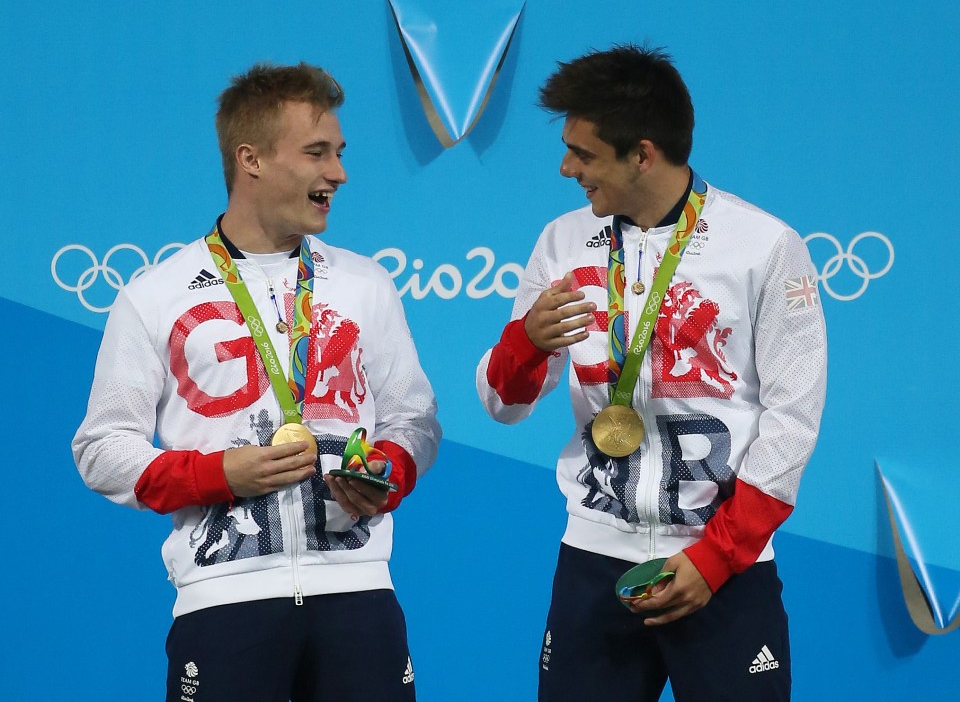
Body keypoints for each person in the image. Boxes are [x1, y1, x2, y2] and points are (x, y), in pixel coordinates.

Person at [74, 62, 440, 702]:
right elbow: (102, 449)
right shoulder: (153, 296)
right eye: (317, 153)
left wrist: (384, 472)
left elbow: (415, 420)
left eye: (340, 153)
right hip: (224, 603)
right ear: (252, 160)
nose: (339, 173)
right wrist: (218, 474)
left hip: (357, 593)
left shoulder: (364, 284)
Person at [476, 45, 826, 701]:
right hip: (592, 561)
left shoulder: (766, 246)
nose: (566, 167)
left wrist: (717, 556)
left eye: (583, 153)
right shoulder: (561, 240)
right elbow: (503, 402)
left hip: (723, 568)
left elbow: (793, 422)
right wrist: (526, 342)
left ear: (642, 153)